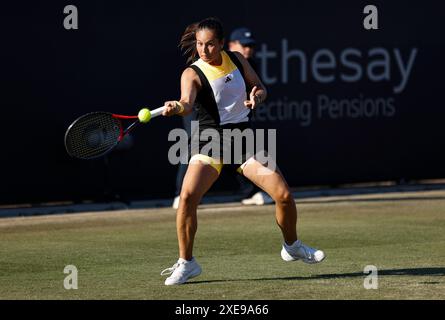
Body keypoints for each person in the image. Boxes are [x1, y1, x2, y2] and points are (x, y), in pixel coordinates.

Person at [160, 17, 325, 286]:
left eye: (210, 44)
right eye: (201, 44)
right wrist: (176, 107)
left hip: (242, 138)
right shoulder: (191, 72)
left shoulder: (237, 59)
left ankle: (292, 246)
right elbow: (187, 103)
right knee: (188, 196)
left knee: (283, 196)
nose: (204, 50)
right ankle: (187, 263)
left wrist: (256, 97)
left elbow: (260, 88)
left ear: (221, 44)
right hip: (209, 140)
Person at [228, 27, 274, 206]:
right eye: (244, 45)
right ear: (231, 45)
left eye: (251, 46)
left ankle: (251, 192)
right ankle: (183, 194)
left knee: (249, 154)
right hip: (218, 123)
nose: (248, 49)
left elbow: (261, 90)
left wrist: (256, 98)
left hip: (242, 120)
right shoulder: (222, 65)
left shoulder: (251, 64)